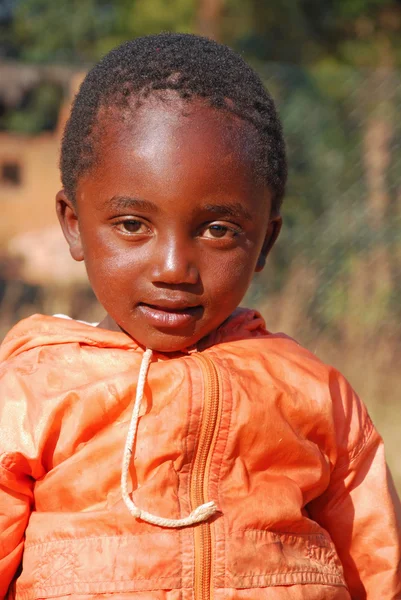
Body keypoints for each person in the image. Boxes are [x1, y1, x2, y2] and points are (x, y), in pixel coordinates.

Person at [0, 33, 399, 600]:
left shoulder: (315, 396)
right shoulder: (29, 395)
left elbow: (380, 573)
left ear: (264, 242)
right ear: (73, 223)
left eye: (218, 229)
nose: (173, 269)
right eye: (133, 224)